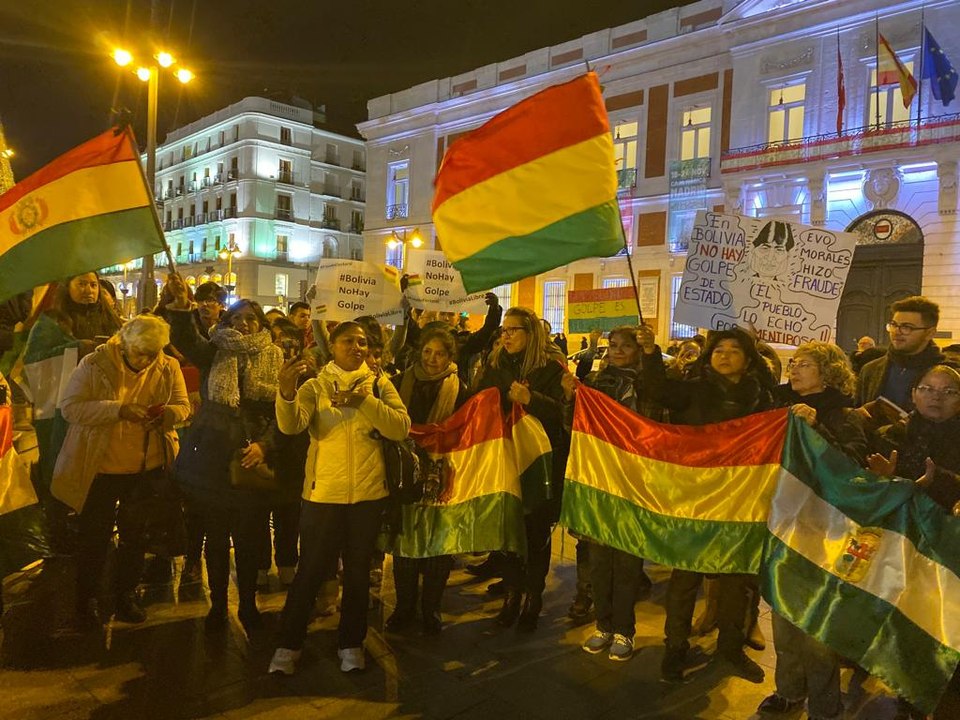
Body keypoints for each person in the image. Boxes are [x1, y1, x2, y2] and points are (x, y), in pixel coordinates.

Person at [269, 321, 410, 676]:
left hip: (368, 495)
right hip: (323, 494)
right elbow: (291, 426)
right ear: (331, 346)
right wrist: (286, 393)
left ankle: (351, 643)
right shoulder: (315, 386)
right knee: (311, 571)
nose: (357, 347)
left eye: (362, 342)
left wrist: (365, 401)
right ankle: (288, 645)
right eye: (348, 341)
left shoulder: (379, 383)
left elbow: (400, 427)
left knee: (359, 574)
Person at [643, 327, 776, 684]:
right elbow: (653, 389)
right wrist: (651, 354)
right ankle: (675, 647)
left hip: (741, 500)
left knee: (738, 580)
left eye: (734, 350)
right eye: (719, 349)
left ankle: (731, 648)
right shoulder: (692, 390)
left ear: (748, 360)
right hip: (697, 498)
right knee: (685, 576)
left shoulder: (763, 397)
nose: (725, 355)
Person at [50, 315, 190, 628]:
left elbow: (183, 405)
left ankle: (125, 594)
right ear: (123, 342)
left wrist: (166, 415)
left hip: (146, 467)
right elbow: (70, 407)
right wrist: (118, 410)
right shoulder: (93, 364)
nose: (147, 360)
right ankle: (86, 598)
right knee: (94, 537)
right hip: (100, 468)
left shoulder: (167, 366)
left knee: (136, 537)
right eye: (140, 352)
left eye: (153, 353)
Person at [165, 274, 283, 636]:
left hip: (253, 457)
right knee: (216, 538)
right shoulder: (215, 350)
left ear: (262, 324)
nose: (244, 325)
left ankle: (247, 604)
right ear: (225, 323)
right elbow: (185, 338)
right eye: (236, 319)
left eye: (251, 319)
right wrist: (184, 305)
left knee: (248, 539)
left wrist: (264, 445)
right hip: (214, 455)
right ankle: (218, 604)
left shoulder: (276, 356)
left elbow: (283, 411)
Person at [757, 341, 867, 720]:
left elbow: (854, 465)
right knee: (783, 618)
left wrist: (817, 427)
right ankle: (789, 691)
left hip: (824, 529)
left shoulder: (843, 414)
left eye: (805, 364)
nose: (795, 369)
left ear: (828, 372)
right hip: (782, 522)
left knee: (817, 627)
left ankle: (824, 705)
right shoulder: (775, 405)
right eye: (794, 363)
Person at [867, 364, 960, 720]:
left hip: (950, 548)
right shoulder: (892, 435)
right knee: (909, 619)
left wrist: (941, 483)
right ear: (914, 394)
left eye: (948, 391)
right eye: (928, 388)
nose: (936, 397)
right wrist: (886, 480)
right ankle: (909, 694)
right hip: (907, 544)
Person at [567, 325, 663, 662]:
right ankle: (602, 625)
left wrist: (652, 356)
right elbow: (578, 425)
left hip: (634, 480)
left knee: (626, 562)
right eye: (613, 346)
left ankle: (624, 629)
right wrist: (571, 399)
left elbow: (657, 409)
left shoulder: (648, 386)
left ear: (638, 350)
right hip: (600, 478)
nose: (618, 351)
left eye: (626, 346)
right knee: (598, 560)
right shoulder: (597, 383)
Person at [473, 307, 567, 632]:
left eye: (514, 330)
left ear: (531, 334)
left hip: (537, 465)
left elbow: (564, 417)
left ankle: (533, 598)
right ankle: (511, 595)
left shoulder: (551, 370)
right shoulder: (496, 366)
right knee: (509, 534)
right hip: (504, 461)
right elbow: (478, 403)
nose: (507, 336)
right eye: (504, 330)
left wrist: (532, 399)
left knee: (535, 533)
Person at [386, 326, 469, 634]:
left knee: (438, 543)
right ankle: (403, 606)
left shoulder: (460, 387)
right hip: (405, 472)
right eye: (427, 352)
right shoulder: (398, 383)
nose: (432, 359)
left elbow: (466, 427)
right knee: (405, 541)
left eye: (440, 354)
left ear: (450, 356)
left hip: (441, 472)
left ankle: (431, 607)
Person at [857, 296, 944, 423]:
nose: (896, 332)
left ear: (930, 333)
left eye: (907, 327)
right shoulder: (870, 370)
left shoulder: (945, 373)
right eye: (894, 325)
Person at [53, 271, 123, 346]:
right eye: (82, 284)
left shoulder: (111, 318)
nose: (89, 291)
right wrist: (78, 347)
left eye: (93, 285)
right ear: (67, 286)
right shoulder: (54, 320)